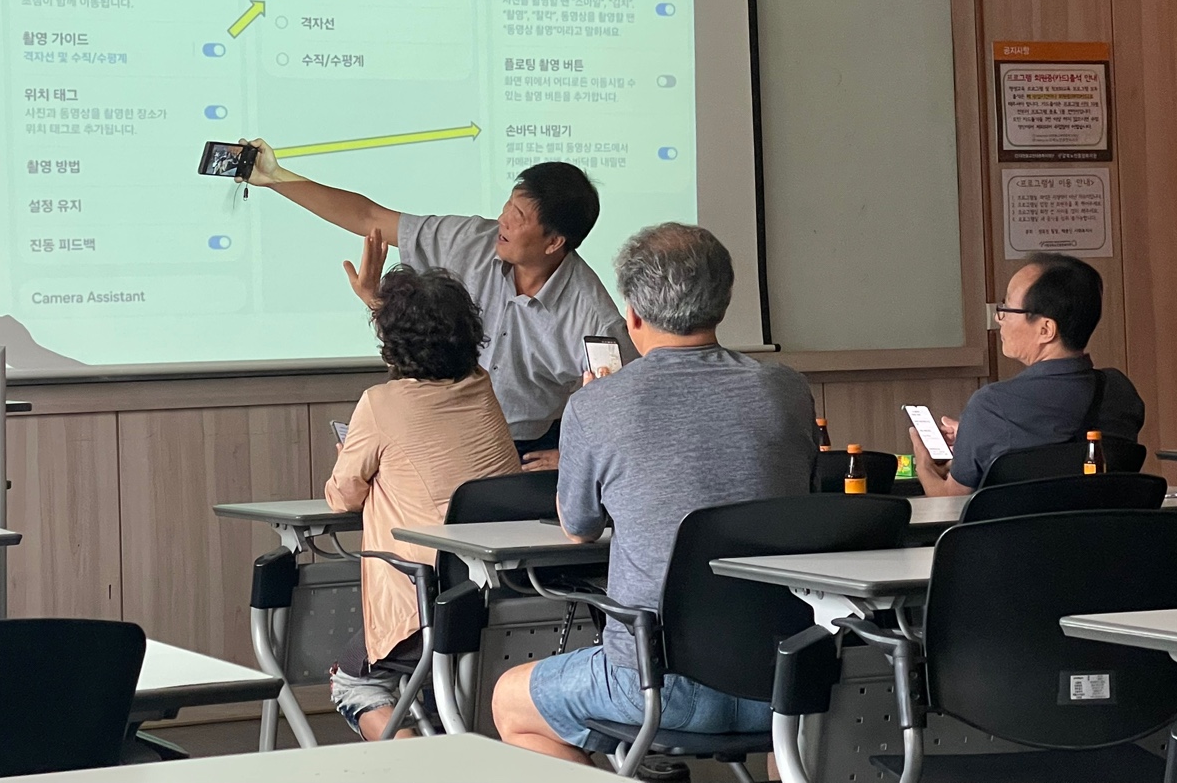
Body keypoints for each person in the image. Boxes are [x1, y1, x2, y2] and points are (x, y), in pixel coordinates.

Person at [491, 223, 818, 763]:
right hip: (788, 679)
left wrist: (592, 416)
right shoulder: (787, 390)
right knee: (789, 743)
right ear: (723, 302)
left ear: (634, 315)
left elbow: (578, 527)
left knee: (510, 700)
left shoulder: (598, 405)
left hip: (656, 684)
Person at [243, 137, 635, 468]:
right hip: (439, 428)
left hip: (523, 448)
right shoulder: (471, 242)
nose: (503, 219)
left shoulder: (594, 318)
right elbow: (368, 216)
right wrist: (275, 177)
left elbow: (633, 408)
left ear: (554, 242)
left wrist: (571, 456)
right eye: (507, 205)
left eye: (518, 216)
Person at [325, 264, 521, 740]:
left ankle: (422, 763)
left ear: (391, 343)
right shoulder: (481, 386)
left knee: (354, 682)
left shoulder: (380, 403)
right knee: (438, 692)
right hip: (505, 598)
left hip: (428, 609)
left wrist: (354, 459)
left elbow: (343, 497)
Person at [911, 252, 1145, 496]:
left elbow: (950, 500)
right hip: (1103, 521)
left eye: (1007, 308)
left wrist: (924, 465)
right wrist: (975, 435)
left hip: (1015, 523)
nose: (999, 318)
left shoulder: (990, 406)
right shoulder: (1119, 391)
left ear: (1046, 329)